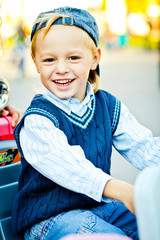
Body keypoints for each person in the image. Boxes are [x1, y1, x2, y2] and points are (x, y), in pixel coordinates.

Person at [11, 6, 160, 240]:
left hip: (99, 207)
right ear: (36, 62)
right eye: (49, 59)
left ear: (94, 59)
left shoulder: (108, 106)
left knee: (153, 221)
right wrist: (124, 191)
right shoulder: (38, 119)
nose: (61, 69)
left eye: (73, 57)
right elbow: (72, 169)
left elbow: (143, 147)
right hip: (50, 219)